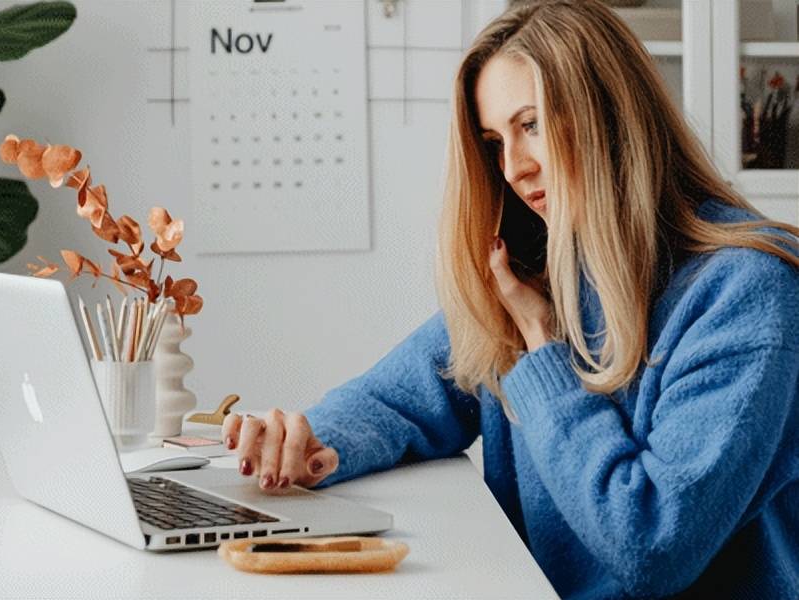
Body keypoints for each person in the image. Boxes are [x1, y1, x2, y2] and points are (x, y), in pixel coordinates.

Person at [221, 1, 799, 597]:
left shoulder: (747, 292)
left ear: (613, 114)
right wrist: (302, 441)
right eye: (496, 141)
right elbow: (400, 399)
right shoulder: (544, 270)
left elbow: (650, 542)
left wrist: (541, 347)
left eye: (532, 124)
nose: (516, 169)